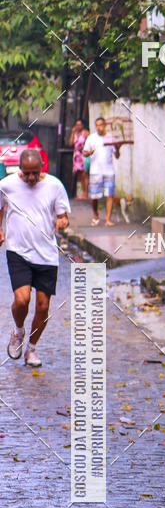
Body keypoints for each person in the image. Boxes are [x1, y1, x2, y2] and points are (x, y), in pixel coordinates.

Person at [0, 149, 70, 367]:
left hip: (47, 253)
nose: (31, 178)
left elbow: (63, 215)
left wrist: (62, 222)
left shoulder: (55, 185)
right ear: (20, 169)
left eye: (35, 173)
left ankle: (31, 349)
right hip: (17, 250)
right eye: (26, 173)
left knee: (42, 306)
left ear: (42, 168)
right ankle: (18, 331)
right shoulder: (7, 184)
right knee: (22, 300)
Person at [83, 117, 120, 226]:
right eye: (97, 125)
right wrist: (89, 153)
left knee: (110, 195)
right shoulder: (91, 138)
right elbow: (84, 153)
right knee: (94, 196)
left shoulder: (111, 138)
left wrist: (118, 149)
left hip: (109, 171)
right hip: (95, 171)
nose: (99, 127)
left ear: (105, 126)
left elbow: (117, 156)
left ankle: (108, 219)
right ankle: (95, 215)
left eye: (101, 125)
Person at [69, 119, 89, 199]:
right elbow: (70, 143)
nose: (78, 126)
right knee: (80, 175)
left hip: (83, 155)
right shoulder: (75, 133)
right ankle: (83, 193)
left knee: (84, 174)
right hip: (77, 156)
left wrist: (83, 147)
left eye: (79, 125)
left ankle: (86, 193)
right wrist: (73, 132)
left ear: (83, 125)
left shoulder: (86, 133)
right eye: (77, 125)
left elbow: (90, 143)